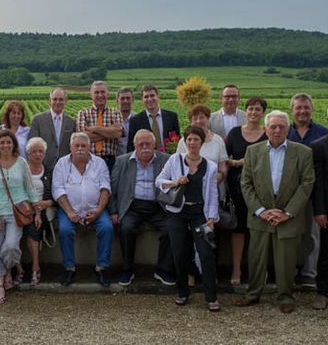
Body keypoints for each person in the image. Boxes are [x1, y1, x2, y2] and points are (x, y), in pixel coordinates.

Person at [235, 111, 315, 313]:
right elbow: (246, 183)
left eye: (281, 126)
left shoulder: (303, 152)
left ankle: (286, 296)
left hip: (289, 217)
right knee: (256, 258)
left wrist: (287, 213)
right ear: (265, 128)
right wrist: (261, 211)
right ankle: (253, 294)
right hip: (261, 215)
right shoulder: (253, 151)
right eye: (273, 127)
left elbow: (307, 184)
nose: (277, 130)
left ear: (288, 129)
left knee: (286, 260)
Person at [156, 125, 220, 311]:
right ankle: (182, 292)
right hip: (177, 213)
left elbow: (213, 194)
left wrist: (212, 218)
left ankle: (211, 296)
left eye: (196, 139)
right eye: (189, 139)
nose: (192, 143)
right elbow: (159, 181)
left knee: (206, 253)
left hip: (200, 214)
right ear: (184, 141)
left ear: (202, 142)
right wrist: (175, 182)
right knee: (179, 252)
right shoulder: (174, 160)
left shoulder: (211, 166)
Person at [109, 130, 174, 286]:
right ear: (135, 146)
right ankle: (128, 269)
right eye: (141, 144)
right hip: (132, 206)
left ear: (154, 145)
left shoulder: (166, 160)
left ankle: (163, 269)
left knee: (172, 229)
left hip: (158, 206)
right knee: (126, 229)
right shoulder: (122, 161)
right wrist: (113, 211)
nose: (145, 147)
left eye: (148, 144)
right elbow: (113, 188)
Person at [53, 132, 113, 287]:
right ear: (70, 147)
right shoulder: (61, 164)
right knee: (65, 230)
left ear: (89, 147)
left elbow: (105, 188)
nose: (80, 149)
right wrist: (70, 212)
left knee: (107, 227)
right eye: (76, 145)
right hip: (69, 209)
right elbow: (58, 190)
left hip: (95, 208)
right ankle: (69, 268)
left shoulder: (99, 163)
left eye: (83, 146)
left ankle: (102, 268)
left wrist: (99, 210)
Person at [0, 130, 39, 304]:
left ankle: (9, 269)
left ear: (14, 145)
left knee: (10, 247)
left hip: (17, 213)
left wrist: (37, 211)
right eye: (2, 143)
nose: (5, 146)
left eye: (9, 142)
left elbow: (30, 188)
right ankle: (0, 285)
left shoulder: (22, 162)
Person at [225, 97, 268, 285]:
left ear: (262, 113)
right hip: (237, 188)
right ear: (246, 111)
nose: (253, 112)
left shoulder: (268, 134)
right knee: (239, 229)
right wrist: (238, 162)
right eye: (250, 109)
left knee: (259, 231)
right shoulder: (235, 133)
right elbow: (224, 158)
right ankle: (236, 269)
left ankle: (260, 270)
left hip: (262, 190)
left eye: (257, 109)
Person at [287, 93, 328, 289]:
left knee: (313, 234)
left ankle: (309, 273)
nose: (302, 111)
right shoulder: (284, 132)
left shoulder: (322, 132)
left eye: (306, 107)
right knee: (290, 233)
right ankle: (288, 270)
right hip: (289, 194)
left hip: (314, 192)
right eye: (298, 108)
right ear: (292, 110)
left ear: (312, 109)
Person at [21, 137, 54, 286]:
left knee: (33, 232)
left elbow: (56, 195)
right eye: (34, 151)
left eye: (40, 151)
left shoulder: (49, 171)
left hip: (44, 212)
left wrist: (46, 203)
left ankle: (35, 267)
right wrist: (30, 207)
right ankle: (18, 269)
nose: (37, 154)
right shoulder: (22, 170)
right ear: (28, 154)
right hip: (23, 210)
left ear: (44, 154)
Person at [76, 81, 123, 172]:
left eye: (102, 92)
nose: (100, 95)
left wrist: (94, 129)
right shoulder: (83, 113)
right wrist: (109, 131)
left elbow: (118, 133)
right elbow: (83, 137)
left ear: (107, 94)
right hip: (89, 161)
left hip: (111, 161)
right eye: (96, 92)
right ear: (91, 95)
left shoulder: (115, 112)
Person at [176, 105, 228, 185]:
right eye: (195, 118)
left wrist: (217, 178)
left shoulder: (218, 140)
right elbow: (177, 165)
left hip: (213, 186)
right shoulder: (184, 141)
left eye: (201, 117)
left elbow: (222, 166)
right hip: (189, 187)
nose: (198, 121)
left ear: (208, 119)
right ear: (190, 122)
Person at [29, 87, 76, 170]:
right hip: (43, 167)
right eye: (55, 99)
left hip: (65, 168)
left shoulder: (72, 122)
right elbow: (32, 145)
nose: (58, 102)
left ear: (66, 101)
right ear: (50, 101)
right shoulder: (38, 120)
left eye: (61, 99)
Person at [128, 84, 180, 153]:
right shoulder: (135, 120)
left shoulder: (171, 117)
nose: (149, 99)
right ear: (142, 100)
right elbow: (131, 146)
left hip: (169, 158)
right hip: (146, 160)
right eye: (146, 97)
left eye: (152, 95)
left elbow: (177, 140)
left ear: (158, 96)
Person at [311, 133, 328, 310]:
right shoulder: (320, 145)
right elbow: (319, 182)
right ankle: (323, 292)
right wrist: (320, 210)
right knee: (326, 253)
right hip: (327, 209)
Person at [116, 87, 136, 155]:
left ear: (132, 100)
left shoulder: (138, 119)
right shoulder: (112, 119)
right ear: (117, 100)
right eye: (122, 98)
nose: (125, 101)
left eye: (128, 98)